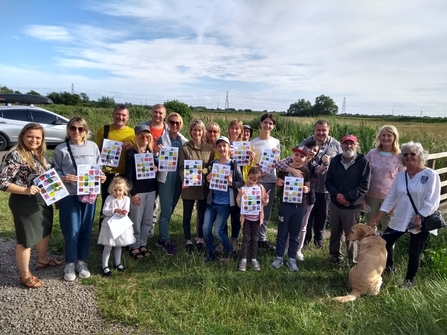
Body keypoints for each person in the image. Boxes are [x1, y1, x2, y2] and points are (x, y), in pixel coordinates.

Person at [369, 141, 441, 289]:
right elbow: (391, 198)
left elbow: (433, 199)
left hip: (420, 220)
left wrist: (419, 216)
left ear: (419, 156)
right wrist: (377, 217)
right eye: (406, 154)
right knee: (385, 242)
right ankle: (389, 268)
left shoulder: (430, 175)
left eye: (412, 154)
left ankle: (410, 280)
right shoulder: (401, 176)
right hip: (401, 217)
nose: (409, 157)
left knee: (415, 250)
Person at [0, 123, 61, 288]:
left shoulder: (41, 154)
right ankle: (25, 276)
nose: (33, 140)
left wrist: (56, 197)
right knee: (26, 239)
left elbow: (48, 178)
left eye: (37, 137)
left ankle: (43, 260)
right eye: (30, 136)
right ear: (22, 136)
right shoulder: (16, 155)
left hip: (43, 200)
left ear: (42, 140)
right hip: (24, 202)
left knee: (44, 230)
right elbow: (2, 182)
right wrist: (25, 190)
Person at [53, 116, 106, 281]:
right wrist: (63, 178)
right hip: (70, 195)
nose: (76, 131)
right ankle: (69, 262)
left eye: (80, 128)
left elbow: (98, 167)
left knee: (85, 229)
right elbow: (54, 172)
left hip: (89, 193)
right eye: (73, 128)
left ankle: (81, 261)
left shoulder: (93, 147)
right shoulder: (61, 149)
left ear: (85, 131)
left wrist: (101, 176)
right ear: (68, 130)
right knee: (71, 229)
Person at [277, 120, 342, 248]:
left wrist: (325, 164)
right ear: (314, 130)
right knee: (304, 218)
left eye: (324, 130)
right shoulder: (305, 143)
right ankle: (303, 242)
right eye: (318, 130)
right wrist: (292, 170)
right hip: (302, 192)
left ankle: (319, 241)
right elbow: (292, 159)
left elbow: (332, 166)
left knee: (322, 216)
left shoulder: (336, 145)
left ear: (329, 131)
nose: (321, 133)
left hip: (325, 187)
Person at [325, 134, 371, 264]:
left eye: (352, 143)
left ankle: (353, 260)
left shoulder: (363, 161)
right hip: (335, 203)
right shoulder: (335, 160)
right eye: (346, 143)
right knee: (335, 231)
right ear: (341, 145)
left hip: (352, 205)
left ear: (357, 146)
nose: (348, 146)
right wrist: (337, 195)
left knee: (352, 233)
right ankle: (335, 257)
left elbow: (364, 185)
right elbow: (329, 181)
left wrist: (347, 197)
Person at [280, 139, 327, 261]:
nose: (312, 151)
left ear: (317, 154)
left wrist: (325, 164)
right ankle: (286, 247)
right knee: (289, 224)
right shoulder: (294, 158)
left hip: (306, 199)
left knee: (303, 225)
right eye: (310, 148)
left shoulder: (313, 164)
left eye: (315, 150)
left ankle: (298, 250)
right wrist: (292, 170)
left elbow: (319, 171)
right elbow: (278, 164)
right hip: (289, 198)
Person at [203, 136, 244, 262]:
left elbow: (241, 182)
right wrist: (207, 179)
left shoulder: (233, 164)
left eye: (224, 146)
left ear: (229, 148)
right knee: (205, 228)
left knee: (218, 231)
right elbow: (208, 184)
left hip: (225, 204)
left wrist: (232, 183)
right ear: (216, 148)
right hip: (212, 202)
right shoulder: (213, 164)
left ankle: (231, 251)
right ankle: (211, 253)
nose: (222, 148)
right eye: (219, 146)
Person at [272, 146, 311, 272]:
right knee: (282, 232)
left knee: (295, 234)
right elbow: (278, 183)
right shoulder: (284, 169)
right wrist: (279, 184)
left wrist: (306, 189)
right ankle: (279, 257)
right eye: (296, 155)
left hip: (299, 207)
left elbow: (308, 187)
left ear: (305, 159)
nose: (298, 158)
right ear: (292, 155)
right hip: (285, 205)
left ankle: (291, 259)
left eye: (301, 156)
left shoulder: (306, 171)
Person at [153, 113, 188, 256]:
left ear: (181, 125)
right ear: (168, 123)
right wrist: (155, 154)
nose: (174, 125)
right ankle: (166, 241)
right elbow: (154, 161)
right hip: (166, 178)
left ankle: (161, 238)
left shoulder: (184, 141)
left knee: (171, 208)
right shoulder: (162, 138)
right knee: (166, 210)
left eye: (177, 123)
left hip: (179, 178)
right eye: (172, 122)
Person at [178, 119, 214, 253]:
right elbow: (181, 167)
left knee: (202, 215)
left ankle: (200, 238)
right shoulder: (185, 148)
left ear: (203, 132)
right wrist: (184, 178)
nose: (197, 132)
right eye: (194, 130)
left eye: (199, 130)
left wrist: (205, 172)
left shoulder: (209, 148)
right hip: (189, 187)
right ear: (190, 131)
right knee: (187, 214)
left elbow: (211, 167)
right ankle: (188, 239)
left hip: (203, 187)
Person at [125, 125, 158, 259]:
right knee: (135, 219)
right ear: (137, 137)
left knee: (147, 219)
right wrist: (133, 193)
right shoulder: (131, 153)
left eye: (147, 136)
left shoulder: (151, 153)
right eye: (141, 136)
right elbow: (129, 176)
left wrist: (155, 169)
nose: (144, 138)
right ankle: (134, 245)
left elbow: (156, 172)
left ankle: (143, 243)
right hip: (138, 192)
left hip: (151, 190)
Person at [96, 104, 134, 216]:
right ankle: (104, 231)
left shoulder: (133, 132)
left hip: (125, 174)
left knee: (123, 204)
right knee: (107, 203)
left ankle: (121, 231)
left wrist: (131, 145)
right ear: (113, 115)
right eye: (118, 114)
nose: (120, 117)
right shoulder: (104, 130)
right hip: (108, 174)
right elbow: (97, 151)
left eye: (123, 115)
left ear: (128, 117)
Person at [365, 125, 404, 232]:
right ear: (379, 137)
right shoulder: (372, 154)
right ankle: (371, 248)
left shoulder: (399, 156)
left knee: (389, 229)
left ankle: (388, 249)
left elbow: (402, 181)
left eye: (389, 135)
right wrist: (363, 198)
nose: (386, 138)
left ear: (394, 137)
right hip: (371, 196)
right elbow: (364, 175)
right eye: (383, 135)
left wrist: (396, 203)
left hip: (390, 198)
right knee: (370, 227)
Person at [250, 113, 280, 251]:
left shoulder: (276, 142)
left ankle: (262, 239)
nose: (267, 125)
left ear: (273, 126)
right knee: (255, 208)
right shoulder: (253, 142)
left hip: (271, 180)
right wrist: (256, 170)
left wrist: (276, 156)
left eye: (271, 123)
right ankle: (252, 238)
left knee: (266, 210)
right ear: (261, 123)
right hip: (258, 181)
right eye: (265, 122)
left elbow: (278, 163)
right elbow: (250, 164)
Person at [138, 104, 169, 227]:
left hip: (162, 165)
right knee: (143, 195)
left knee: (155, 198)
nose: (157, 115)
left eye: (161, 113)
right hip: (144, 164)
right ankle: (139, 222)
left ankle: (151, 224)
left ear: (164, 115)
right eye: (155, 112)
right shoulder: (143, 126)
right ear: (151, 112)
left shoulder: (168, 128)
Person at [97, 176, 135, 276]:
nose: (118, 193)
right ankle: (105, 265)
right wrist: (114, 211)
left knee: (119, 245)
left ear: (124, 190)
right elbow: (104, 211)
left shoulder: (126, 199)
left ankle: (117, 263)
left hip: (121, 224)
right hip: (110, 224)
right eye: (115, 190)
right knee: (108, 246)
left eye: (120, 190)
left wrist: (123, 212)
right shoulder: (109, 198)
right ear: (111, 190)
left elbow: (126, 211)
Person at [236, 167, 269, 271]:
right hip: (246, 218)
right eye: (250, 178)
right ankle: (244, 260)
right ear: (247, 176)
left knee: (255, 238)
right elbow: (239, 205)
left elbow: (264, 203)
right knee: (246, 238)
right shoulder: (243, 189)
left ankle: (254, 259)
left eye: (254, 180)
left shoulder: (260, 188)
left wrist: (266, 199)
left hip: (256, 219)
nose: (251, 181)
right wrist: (239, 196)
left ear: (258, 180)